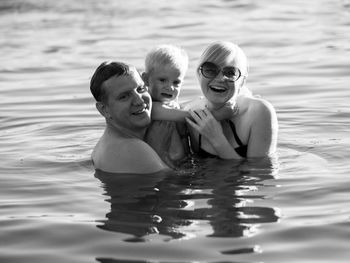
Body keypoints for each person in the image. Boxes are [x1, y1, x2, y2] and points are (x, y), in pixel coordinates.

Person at [184, 41, 278, 159]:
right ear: (199, 74)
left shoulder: (258, 112)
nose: (220, 78)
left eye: (230, 73)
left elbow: (260, 172)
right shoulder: (192, 113)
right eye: (210, 70)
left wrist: (216, 138)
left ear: (242, 81)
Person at [89, 61, 171, 174]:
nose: (139, 100)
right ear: (104, 109)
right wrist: (161, 150)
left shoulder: (108, 144)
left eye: (141, 89)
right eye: (124, 96)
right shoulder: (133, 150)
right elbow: (176, 185)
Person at [141, 44, 190, 163]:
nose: (170, 87)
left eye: (176, 82)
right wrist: (215, 113)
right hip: (157, 163)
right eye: (162, 80)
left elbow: (183, 137)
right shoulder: (150, 107)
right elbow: (189, 116)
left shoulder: (174, 106)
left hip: (178, 162)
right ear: (147, 79)